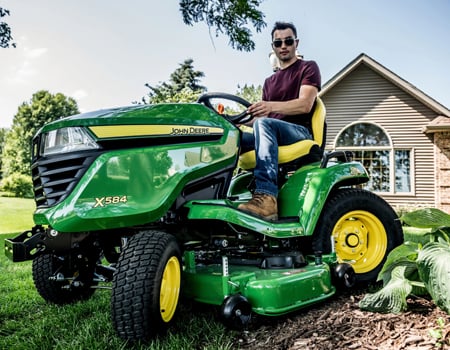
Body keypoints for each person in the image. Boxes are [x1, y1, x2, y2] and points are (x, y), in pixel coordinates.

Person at [237, 21, 321, 220]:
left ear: (296, 43)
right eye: (278, 43)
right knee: (232, 137)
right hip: (271, 131)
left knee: (264, 124)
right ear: (273, 46)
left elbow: (305, 104)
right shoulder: (269, 82)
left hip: (299, 133)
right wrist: (236, 122)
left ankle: (267, 197)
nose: (283, 46)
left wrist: (270, 107)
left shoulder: (308, 68)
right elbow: (261, 120)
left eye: (288, 41)